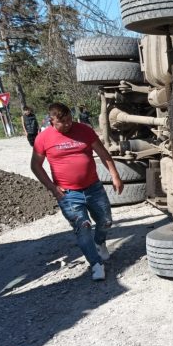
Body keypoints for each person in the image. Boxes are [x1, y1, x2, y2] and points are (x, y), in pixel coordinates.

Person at [30, 102, 123, 281]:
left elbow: (104, 154)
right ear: (51, 121)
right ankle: (96, 264)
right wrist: (52, 187)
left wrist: (115, 175)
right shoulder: (43, 138)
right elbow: (35, 166)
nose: (67, 124)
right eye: (62, 122)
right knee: (83, 227)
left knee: (106, 221)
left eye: (69, 120)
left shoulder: (84, 130)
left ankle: (99, 242)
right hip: (68, 194)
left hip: (93, 187)